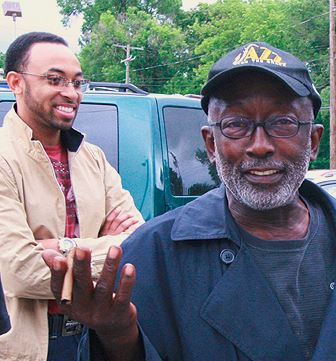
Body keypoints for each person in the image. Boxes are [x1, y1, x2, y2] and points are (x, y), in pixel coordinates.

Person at [43, 41, 336, 361]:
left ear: (313, 140)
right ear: (211, 144)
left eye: (283, 122)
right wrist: (117, 337)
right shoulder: (150, 254)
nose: (260, 146)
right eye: (236, 124)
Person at [0, 32, 144, 361]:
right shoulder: (3, 157)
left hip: (95, 341)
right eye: (55, 79)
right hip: (30, 346)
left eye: (77, 82)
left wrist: (63, 249)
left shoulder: (92, 157)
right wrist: (110, 245)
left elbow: (140, 247)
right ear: (16, 82)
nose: (71, 93)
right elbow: (21, 272)